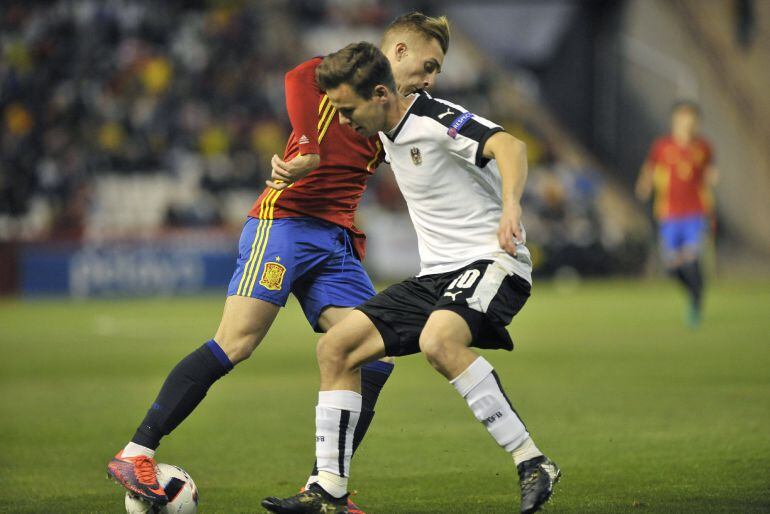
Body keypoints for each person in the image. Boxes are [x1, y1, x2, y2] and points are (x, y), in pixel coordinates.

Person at [106, 13, 451, 511]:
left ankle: (326, 489)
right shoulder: (351, 73)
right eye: (428, 65)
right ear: (398, 53)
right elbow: (297, 76)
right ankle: (135, 452)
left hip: (336, 239)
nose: (430, 78)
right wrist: (307, 143)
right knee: (237, 341)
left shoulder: (407, 112)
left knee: (373, 357)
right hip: (285, 223)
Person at [261, 42, 560, 514]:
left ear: (380, 95)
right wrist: (303, 154)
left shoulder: (436, 118)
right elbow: (308, 77)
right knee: (335, 348)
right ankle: (328, 491)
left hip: (490, 261)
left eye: (346, 110)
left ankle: (532, 461)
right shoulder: (382, 126)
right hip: (435, 277)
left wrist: (511, 207)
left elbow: (510, 145)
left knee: (438, 342)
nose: (342, 122)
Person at [636, 101, 718, 327]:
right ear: (675, 121)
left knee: (691, 259)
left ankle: (696, 301)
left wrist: (712, 180)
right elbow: (650, 167)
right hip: (669, 213)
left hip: (695, 212)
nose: (687, 125)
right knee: (672, 266)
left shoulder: (703, 147)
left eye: (691, 121)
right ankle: (695, 293)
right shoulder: (662, 147)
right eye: (683, 120)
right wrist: (645, 184)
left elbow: (710, 172)